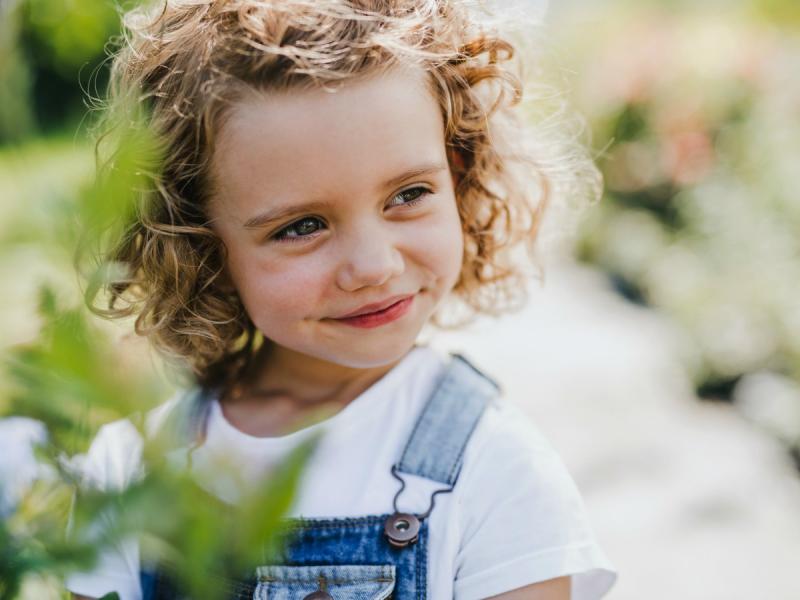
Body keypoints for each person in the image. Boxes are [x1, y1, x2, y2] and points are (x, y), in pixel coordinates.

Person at [67, 0, 616, 598]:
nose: (374, 266)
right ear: (201, 246)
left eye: (408, 193)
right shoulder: (128, 476)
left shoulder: (498, 475)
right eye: (302, 227)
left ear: (458, 174)